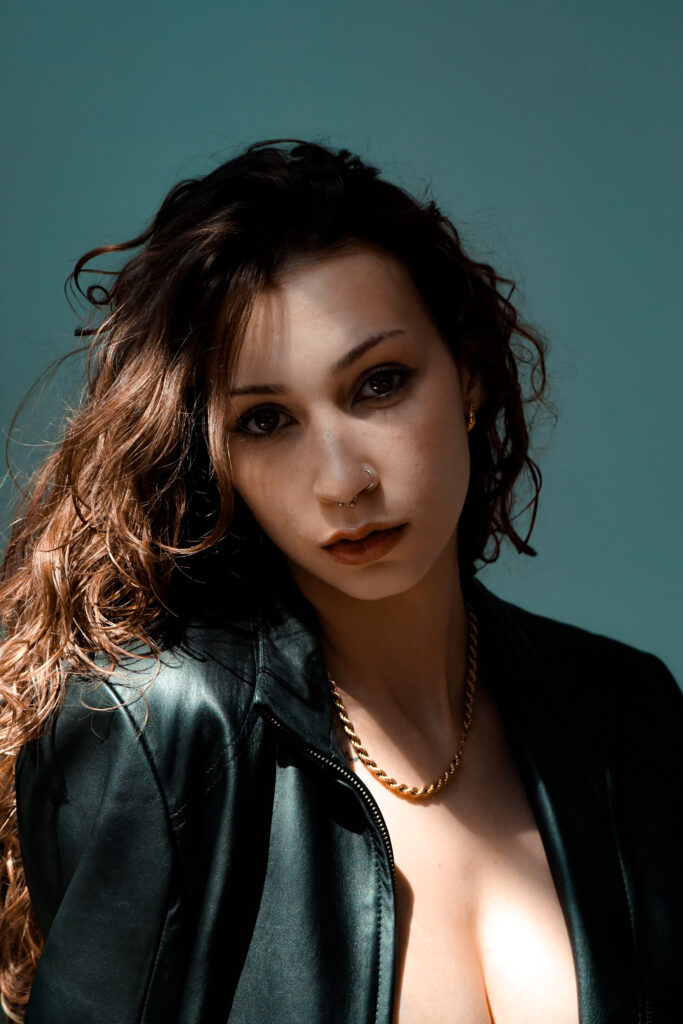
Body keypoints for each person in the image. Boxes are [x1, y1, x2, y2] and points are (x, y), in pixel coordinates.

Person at [0, 138, 680, 1024]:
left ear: (469, 374)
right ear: (216, 455)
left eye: (378, 384)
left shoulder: (627, 715)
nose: (342, 482)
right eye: (265, 420)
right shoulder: (164, 734)